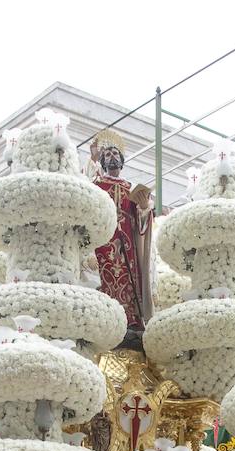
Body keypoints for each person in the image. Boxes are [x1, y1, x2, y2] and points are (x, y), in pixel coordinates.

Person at [89, 129, 154, 345]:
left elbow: (141, 222)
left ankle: (131, 322)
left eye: (115, 154)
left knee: (128, 280)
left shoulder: (129, 189)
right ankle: (106, 319)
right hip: (104, 244)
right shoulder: (95, 187)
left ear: (122, 160)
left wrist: (144, 208)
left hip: (128, 245)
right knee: (105, 279)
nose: (112, 157)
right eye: (107, 155)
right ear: (101, 161)